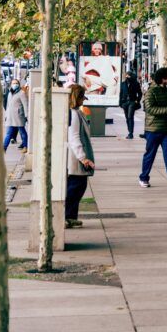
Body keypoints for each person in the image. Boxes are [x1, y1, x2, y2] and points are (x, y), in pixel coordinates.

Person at [139, 67, 167, 189]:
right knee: (150, 155)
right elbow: (149, 109)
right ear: (162, 78)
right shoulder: (150, 92)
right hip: (153, 130)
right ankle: (143, 178)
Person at [66, 84, 95, 228]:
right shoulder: (73, 114)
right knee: (77, 185)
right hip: (74, 157)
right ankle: (67, 216)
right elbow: (74, 137)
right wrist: (83, 158)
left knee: (76, 185)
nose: (84, 100)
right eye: (83, 97)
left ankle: (70, 216)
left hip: (75, 155)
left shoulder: (74, 112)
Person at [3, 78, 29, 152]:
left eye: (16, 83)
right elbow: (8, 105)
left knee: (22, 132)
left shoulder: (22, 93)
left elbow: (25, 105)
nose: (15, 85)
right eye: (13, 83)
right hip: (10, 117)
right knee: (8, 133)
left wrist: (26, 116)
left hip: (19, 116)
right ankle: (4, 148)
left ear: (19, 84)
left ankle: (25, 147)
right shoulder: (10, 93)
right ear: (11, 84)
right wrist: (6, 115)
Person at [119, 71, 143, 140]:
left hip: (132, 102)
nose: (127, 77)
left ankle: (131, 133)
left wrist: (137, 101)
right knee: (127, 118)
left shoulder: (136, 83)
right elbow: (121, 94)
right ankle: (129, 131)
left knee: (130, 117)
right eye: (126, 75)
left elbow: (140, 93)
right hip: (125, 103)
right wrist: (120, 103)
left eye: (128, 75)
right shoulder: (123, 84)